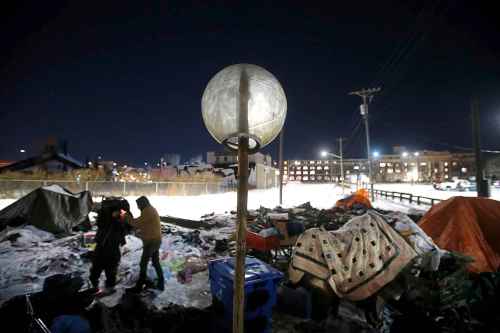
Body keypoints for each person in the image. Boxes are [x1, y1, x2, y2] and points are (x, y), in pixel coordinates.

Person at [126, 196, 164, 292]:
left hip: (152, 242)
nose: (138, 207)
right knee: (155, 262)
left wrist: (126, 216)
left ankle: (139, 285)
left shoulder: (148, 211)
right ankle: (161, 283)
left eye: (138, 205)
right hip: (155, 240)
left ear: (143, 203)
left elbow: (136, 223)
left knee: (143, 263)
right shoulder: (149, 209)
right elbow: (144, 224)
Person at [89, 199, 128, 292]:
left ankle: (99, 289)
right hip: (107, 250)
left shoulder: (113, 221)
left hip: (105, 249)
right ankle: (99, 289)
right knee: (104, 272)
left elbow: (123, 231)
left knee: (100, 272)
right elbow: (123, 231)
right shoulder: (111, 220)